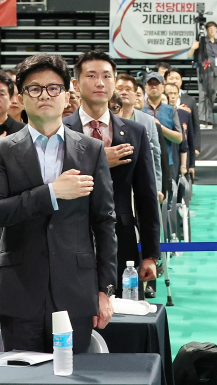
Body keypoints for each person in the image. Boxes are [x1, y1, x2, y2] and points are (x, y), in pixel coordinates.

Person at [0, 53, 117, 353]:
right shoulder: (0, 149)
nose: (45, 95)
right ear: (21, 97)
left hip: (77, 289)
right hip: (19, 287)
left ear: (67, 94)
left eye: (53, 88)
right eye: (35, 88)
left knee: (73, 375)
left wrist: (105, 290)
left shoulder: (91, 150)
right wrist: (52, 193)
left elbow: (104, 222)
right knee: (21, 378)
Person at [65, 52, 160, 298]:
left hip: (122, 238)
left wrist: (150, 254)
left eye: (106, 76)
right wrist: (99, 161)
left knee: (122, 318)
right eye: (92, 76)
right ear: (76, 84)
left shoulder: (135, 132)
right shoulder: (60, 130)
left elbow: (146, 195)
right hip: (70, 237)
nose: (100, 83)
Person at [189, 21, 217, 124]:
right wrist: (193, 48)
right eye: (210, 29)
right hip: (204, 71)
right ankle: (201, 118)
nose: (212, 30)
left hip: (215, 71)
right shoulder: (202, 41)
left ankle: (208, 118)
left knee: (212, 95)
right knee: (203, 94)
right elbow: (190, 54)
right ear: (207, 30)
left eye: (214, 28)